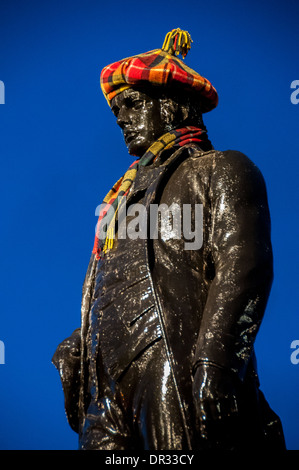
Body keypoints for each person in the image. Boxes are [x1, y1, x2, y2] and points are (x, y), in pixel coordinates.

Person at [52, 28, 285, 450]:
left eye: (133, 103)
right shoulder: (119, 201)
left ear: (173, 105)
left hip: (171, 359)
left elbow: (244, 265)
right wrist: (81, 345)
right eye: (117, 109)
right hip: (105, 389)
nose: (121, 117)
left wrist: (216, 362)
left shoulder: (220, 169)